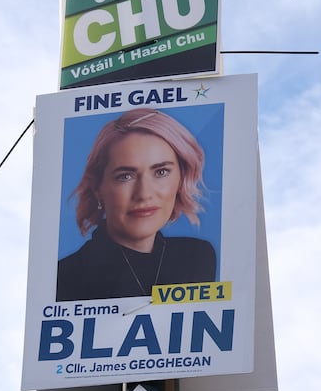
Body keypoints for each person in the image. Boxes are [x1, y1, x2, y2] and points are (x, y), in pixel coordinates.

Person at [56, 108, 216, 301]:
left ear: (181, 178)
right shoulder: (65, 277)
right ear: (98, 187)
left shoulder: (197, 258)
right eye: (125, 176)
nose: (144, 194)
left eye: (161, 172)